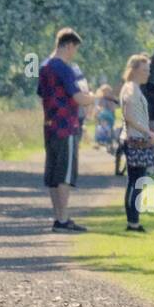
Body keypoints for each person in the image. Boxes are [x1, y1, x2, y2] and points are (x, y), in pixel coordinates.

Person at [37, 28, 96, 232]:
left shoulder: (44, 66)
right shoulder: (63, 67)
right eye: (74, 49)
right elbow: (78, 97)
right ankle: (63, 219)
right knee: (65, 174)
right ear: (68, 45)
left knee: (53, 174)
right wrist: (93, 97)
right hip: (66, 126)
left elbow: (41, 94)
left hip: (50, 125)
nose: (74, 53)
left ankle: (58, 217)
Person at [118, 55, 154, 232]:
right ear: (135, 70)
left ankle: (134, 220)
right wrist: (147, 132)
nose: (148, 73)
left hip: (135, 139)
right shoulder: (131, 88)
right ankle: (133, 222)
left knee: (135, 180)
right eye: (145, 70)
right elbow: (129, 116)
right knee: (136, 181)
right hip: (135, 140)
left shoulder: (132, 88)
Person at [93, 84, 118, 151]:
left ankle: (110, 143)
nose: (105, 92)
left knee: (110, 129)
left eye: (107, 91)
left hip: (110, 116)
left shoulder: (112, 98)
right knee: (100, 129)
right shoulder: (101, 98)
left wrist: (111, 106)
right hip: (102, 116)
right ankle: (98, 142)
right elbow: (98, 106)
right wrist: (98, 111)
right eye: (103, 91)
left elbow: (114, 106)